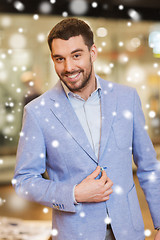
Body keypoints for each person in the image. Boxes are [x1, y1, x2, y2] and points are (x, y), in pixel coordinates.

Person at [13, 18, 160, 240]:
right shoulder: (37, 112)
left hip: (129, 231)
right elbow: (24, 180)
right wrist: (73, 193)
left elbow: (148, 167)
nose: (69, 67)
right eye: (59, 59)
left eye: (76, 55)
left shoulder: (126, 98)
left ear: (93, 52)